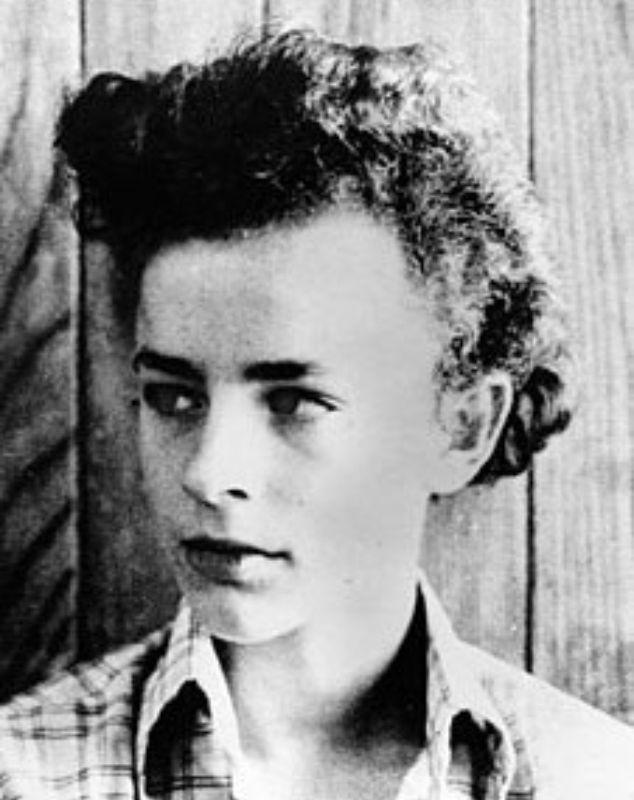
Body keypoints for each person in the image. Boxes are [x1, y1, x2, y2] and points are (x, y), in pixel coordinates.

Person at [0, 28, 632, 800]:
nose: (209, 472)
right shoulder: (20, 775)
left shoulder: (598, 780)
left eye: (297, 402)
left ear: (462, 425)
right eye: (173, 396)